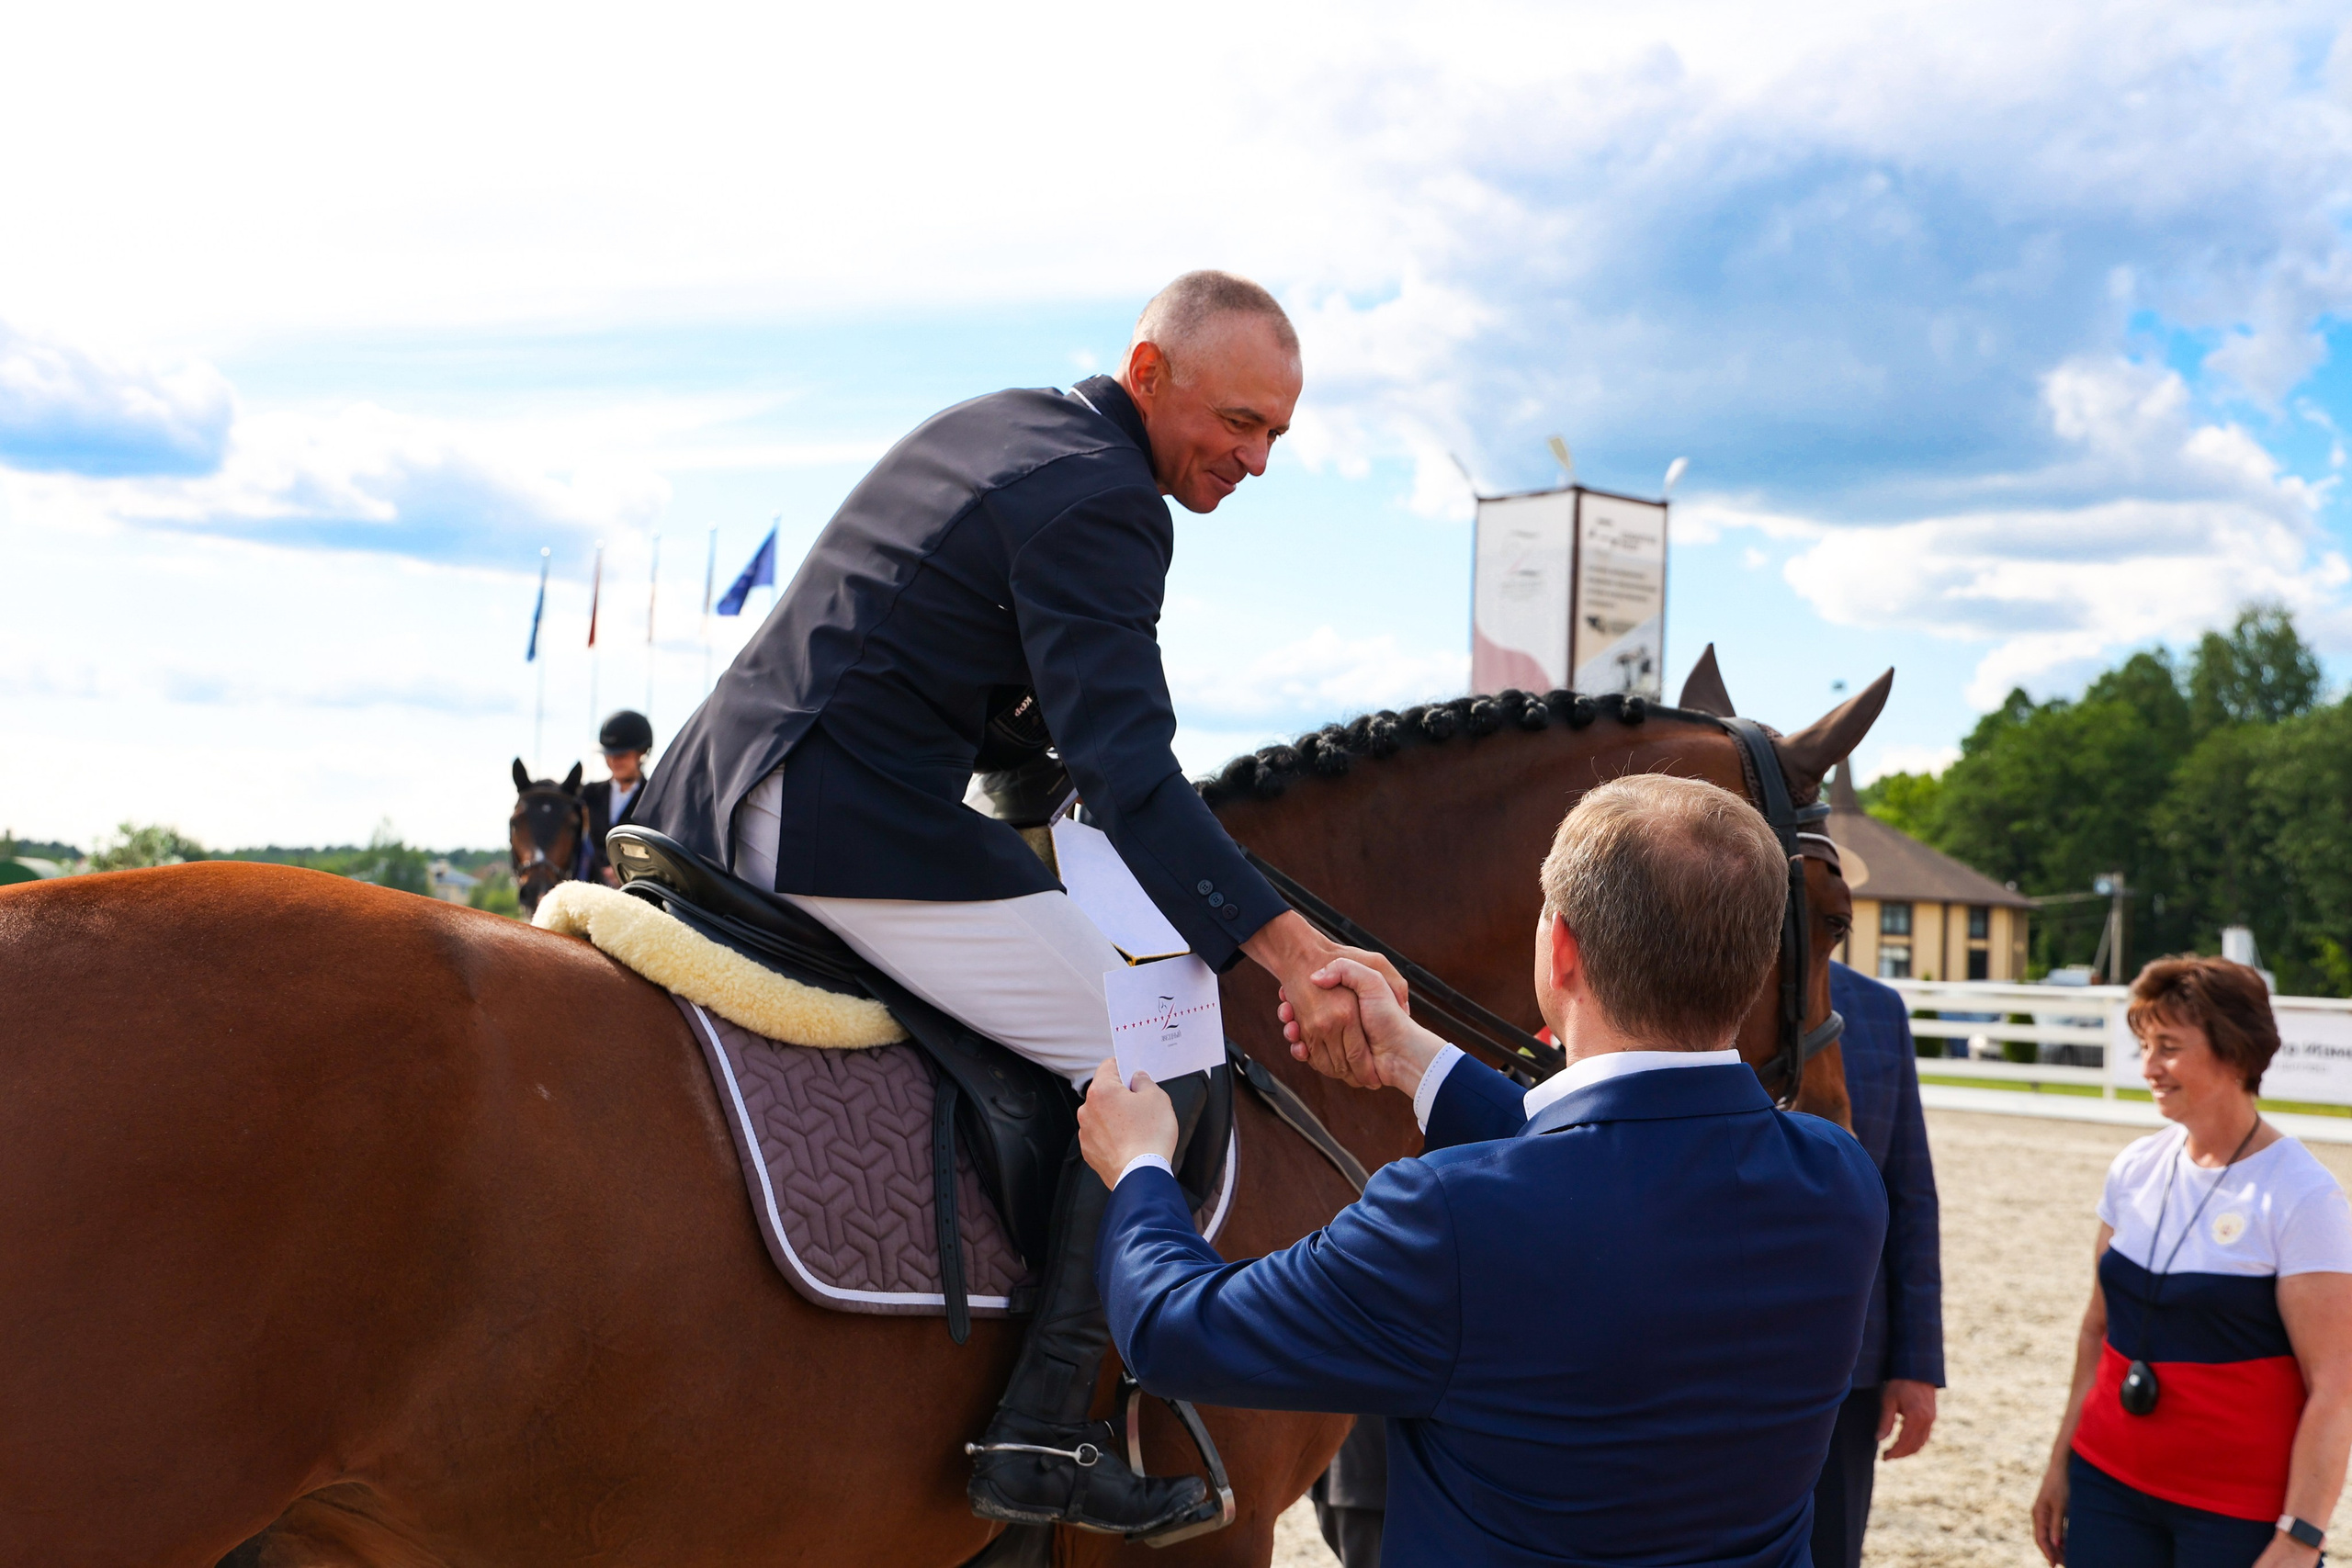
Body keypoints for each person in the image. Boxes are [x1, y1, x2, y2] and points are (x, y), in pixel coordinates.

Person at [632, 271, 1401, 1540]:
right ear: (1150, 374)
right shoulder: (1107, 501)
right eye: (1240, 422)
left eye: (1278, 434)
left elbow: (1024, 738)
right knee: (1162, 1046)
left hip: (711, 785)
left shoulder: (1006, 422)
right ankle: (1045, 1424)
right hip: (835, 811)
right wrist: (1290, 944)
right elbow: (1131, 773)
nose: (1257, 459)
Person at [1079, 773, 1890, 1568]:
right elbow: (1617, 1178)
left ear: (1561, 947)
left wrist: (1140, 1162)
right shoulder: (1841, 1180)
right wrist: (1413, 1056)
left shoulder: (1447, 1214)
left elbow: (1174, 1330)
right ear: (1756, 962)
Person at [2032, 955, 2352, 1568]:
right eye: (2145, 1044)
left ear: (2235, 1053)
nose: (2149, 1067)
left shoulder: (2301, 1195)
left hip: (2236, 1510)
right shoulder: (2134, 1168)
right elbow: (2097, 1329)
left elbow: (2335, 1385)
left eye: (2169, 1047)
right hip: (2107, 1485)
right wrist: (2061, 1461)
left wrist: (2301, 1536)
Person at [1811, 960, 1946, 1568]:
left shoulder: (1878, 1008)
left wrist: (1916, 1363)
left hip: (1853, 1360)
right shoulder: (1701, 979)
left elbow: (1909, 1189)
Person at [583, 709, 652, 886]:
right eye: (609, 754)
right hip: (590, 887)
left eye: (621, 754)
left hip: (637, 889)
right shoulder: (588, 794)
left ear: (641, 752)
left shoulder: (655, 798)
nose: (614, 761)